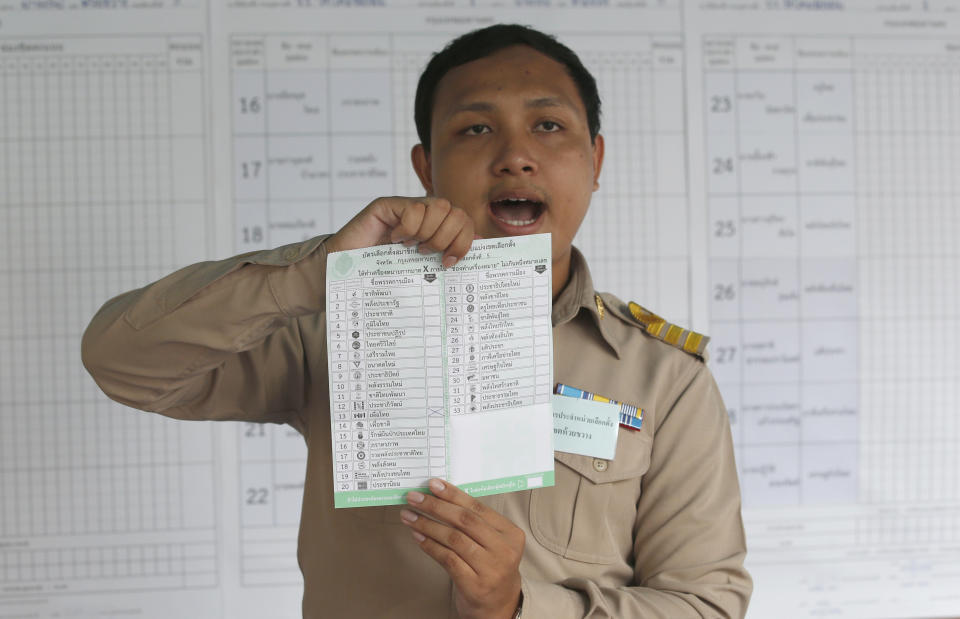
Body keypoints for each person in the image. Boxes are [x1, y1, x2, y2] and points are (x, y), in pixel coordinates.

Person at [82, 24, 752, 619]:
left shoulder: (666, 379)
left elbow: (706, 602)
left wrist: (519, 606)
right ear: (425, 168)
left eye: (548, 126)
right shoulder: (333, 327)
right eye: (475, 128)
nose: (515, 155)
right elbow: (122, 362)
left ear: (596, 160)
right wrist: (311, 275)